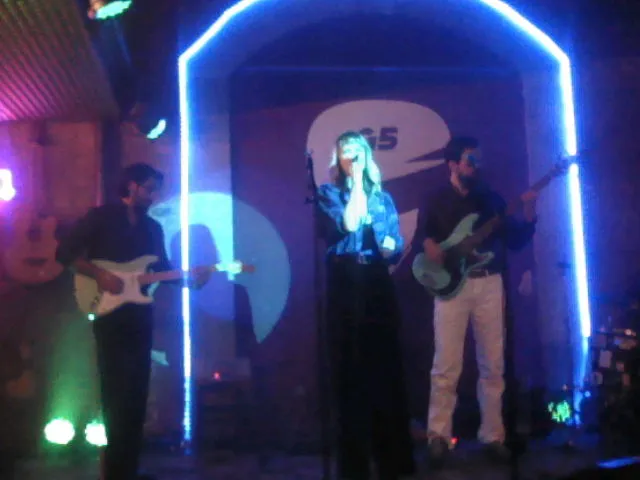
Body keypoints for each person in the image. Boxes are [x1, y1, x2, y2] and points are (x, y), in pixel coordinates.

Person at [56, 163, 210, 480]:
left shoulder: (152, 228)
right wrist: (99, 274)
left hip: (139, 314)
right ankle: (114, 470)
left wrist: (190, 280)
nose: (153, 196)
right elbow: (65, 253)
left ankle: (129, 469)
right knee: (115, 389)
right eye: (149, 188)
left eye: (156, 190)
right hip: (109, 313)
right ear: (131, 185)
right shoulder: (100, 217)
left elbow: (161, 269)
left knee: (137, 391)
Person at [422, 136, 538, 468]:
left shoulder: (491, 199)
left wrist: (530, 210)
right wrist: (431, 247)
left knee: (492, 364)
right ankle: (438, 436)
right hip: (451, 287)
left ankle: (493, 436)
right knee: (446, 366)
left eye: (477, 160)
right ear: (453, 164)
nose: (475, 166)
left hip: (489, 282)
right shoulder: (436, 199)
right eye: (469, 160)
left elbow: (516, 239)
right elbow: (423, 239)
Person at [317, 131, 416, 480]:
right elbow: (347, 223)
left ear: (366, 154)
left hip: (375, 281)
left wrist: (391, 246)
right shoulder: (329, 194)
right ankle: (354, 466)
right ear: (338, 159)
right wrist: (357, 183)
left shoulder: (383, 198)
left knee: (385, 371)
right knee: (350, 372)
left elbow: (395, 243)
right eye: (345, 151)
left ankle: (392, 461)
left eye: (356, 149)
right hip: (345, 281)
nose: (351, 155)